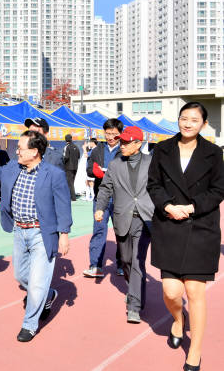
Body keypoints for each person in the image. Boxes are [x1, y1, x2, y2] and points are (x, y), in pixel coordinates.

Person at [147, 102, 224, 371]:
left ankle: (196, 351)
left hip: (201, 225)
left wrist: (191, 207)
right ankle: (179, 319)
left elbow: (218, 190)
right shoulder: (162, 149)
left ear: (203, 124)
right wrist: (168, 206)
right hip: (169, 224)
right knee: (171, 292)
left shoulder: (213, 153)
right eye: (183, 118)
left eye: (194, 119)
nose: (187, 123)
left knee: (194, 291)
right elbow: (153, 184)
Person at [0, 129, 71, 342]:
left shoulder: (54, 174)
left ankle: (30, 324)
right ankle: (48, 295)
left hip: (43, 232)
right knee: (21, 276)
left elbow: (63, 205)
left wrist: (64, 234)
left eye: (21, 149)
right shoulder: (13, 167)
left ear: (34, 152)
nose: (17, 152)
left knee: (37, 283)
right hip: (19, 231)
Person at [94, 126, 153, 324]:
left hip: (145, 219)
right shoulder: (115, 164)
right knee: (127, 260)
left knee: (137, 262)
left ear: (138, 144)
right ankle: (134, 289)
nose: (122, 145)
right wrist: (100, 208)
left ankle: (134, 306)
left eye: (127, 142)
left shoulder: (152, 163)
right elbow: (105, 188)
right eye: (122, 141)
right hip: (121, 218)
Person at [84, 118, 124, 278]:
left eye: (114, 134)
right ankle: (95, 265)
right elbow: (88, 168)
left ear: (120, 134)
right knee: (99, 231)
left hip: (121, 198)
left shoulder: (125, 148)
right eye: (107, 133)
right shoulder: (97, 149)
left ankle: (122, 264)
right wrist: (95, 171)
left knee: (122, 233)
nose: (110, 137)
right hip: (101, 197)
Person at [62, 134, 80, 201]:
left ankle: (73, 197)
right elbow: (78, 156)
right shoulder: (76, 146)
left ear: (65, 139)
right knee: (72, 182)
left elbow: (66, 157)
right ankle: (72, 196)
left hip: (68, 167)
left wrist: (62, 162)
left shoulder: (67, 147)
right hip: (75, 166)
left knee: (69, 182)